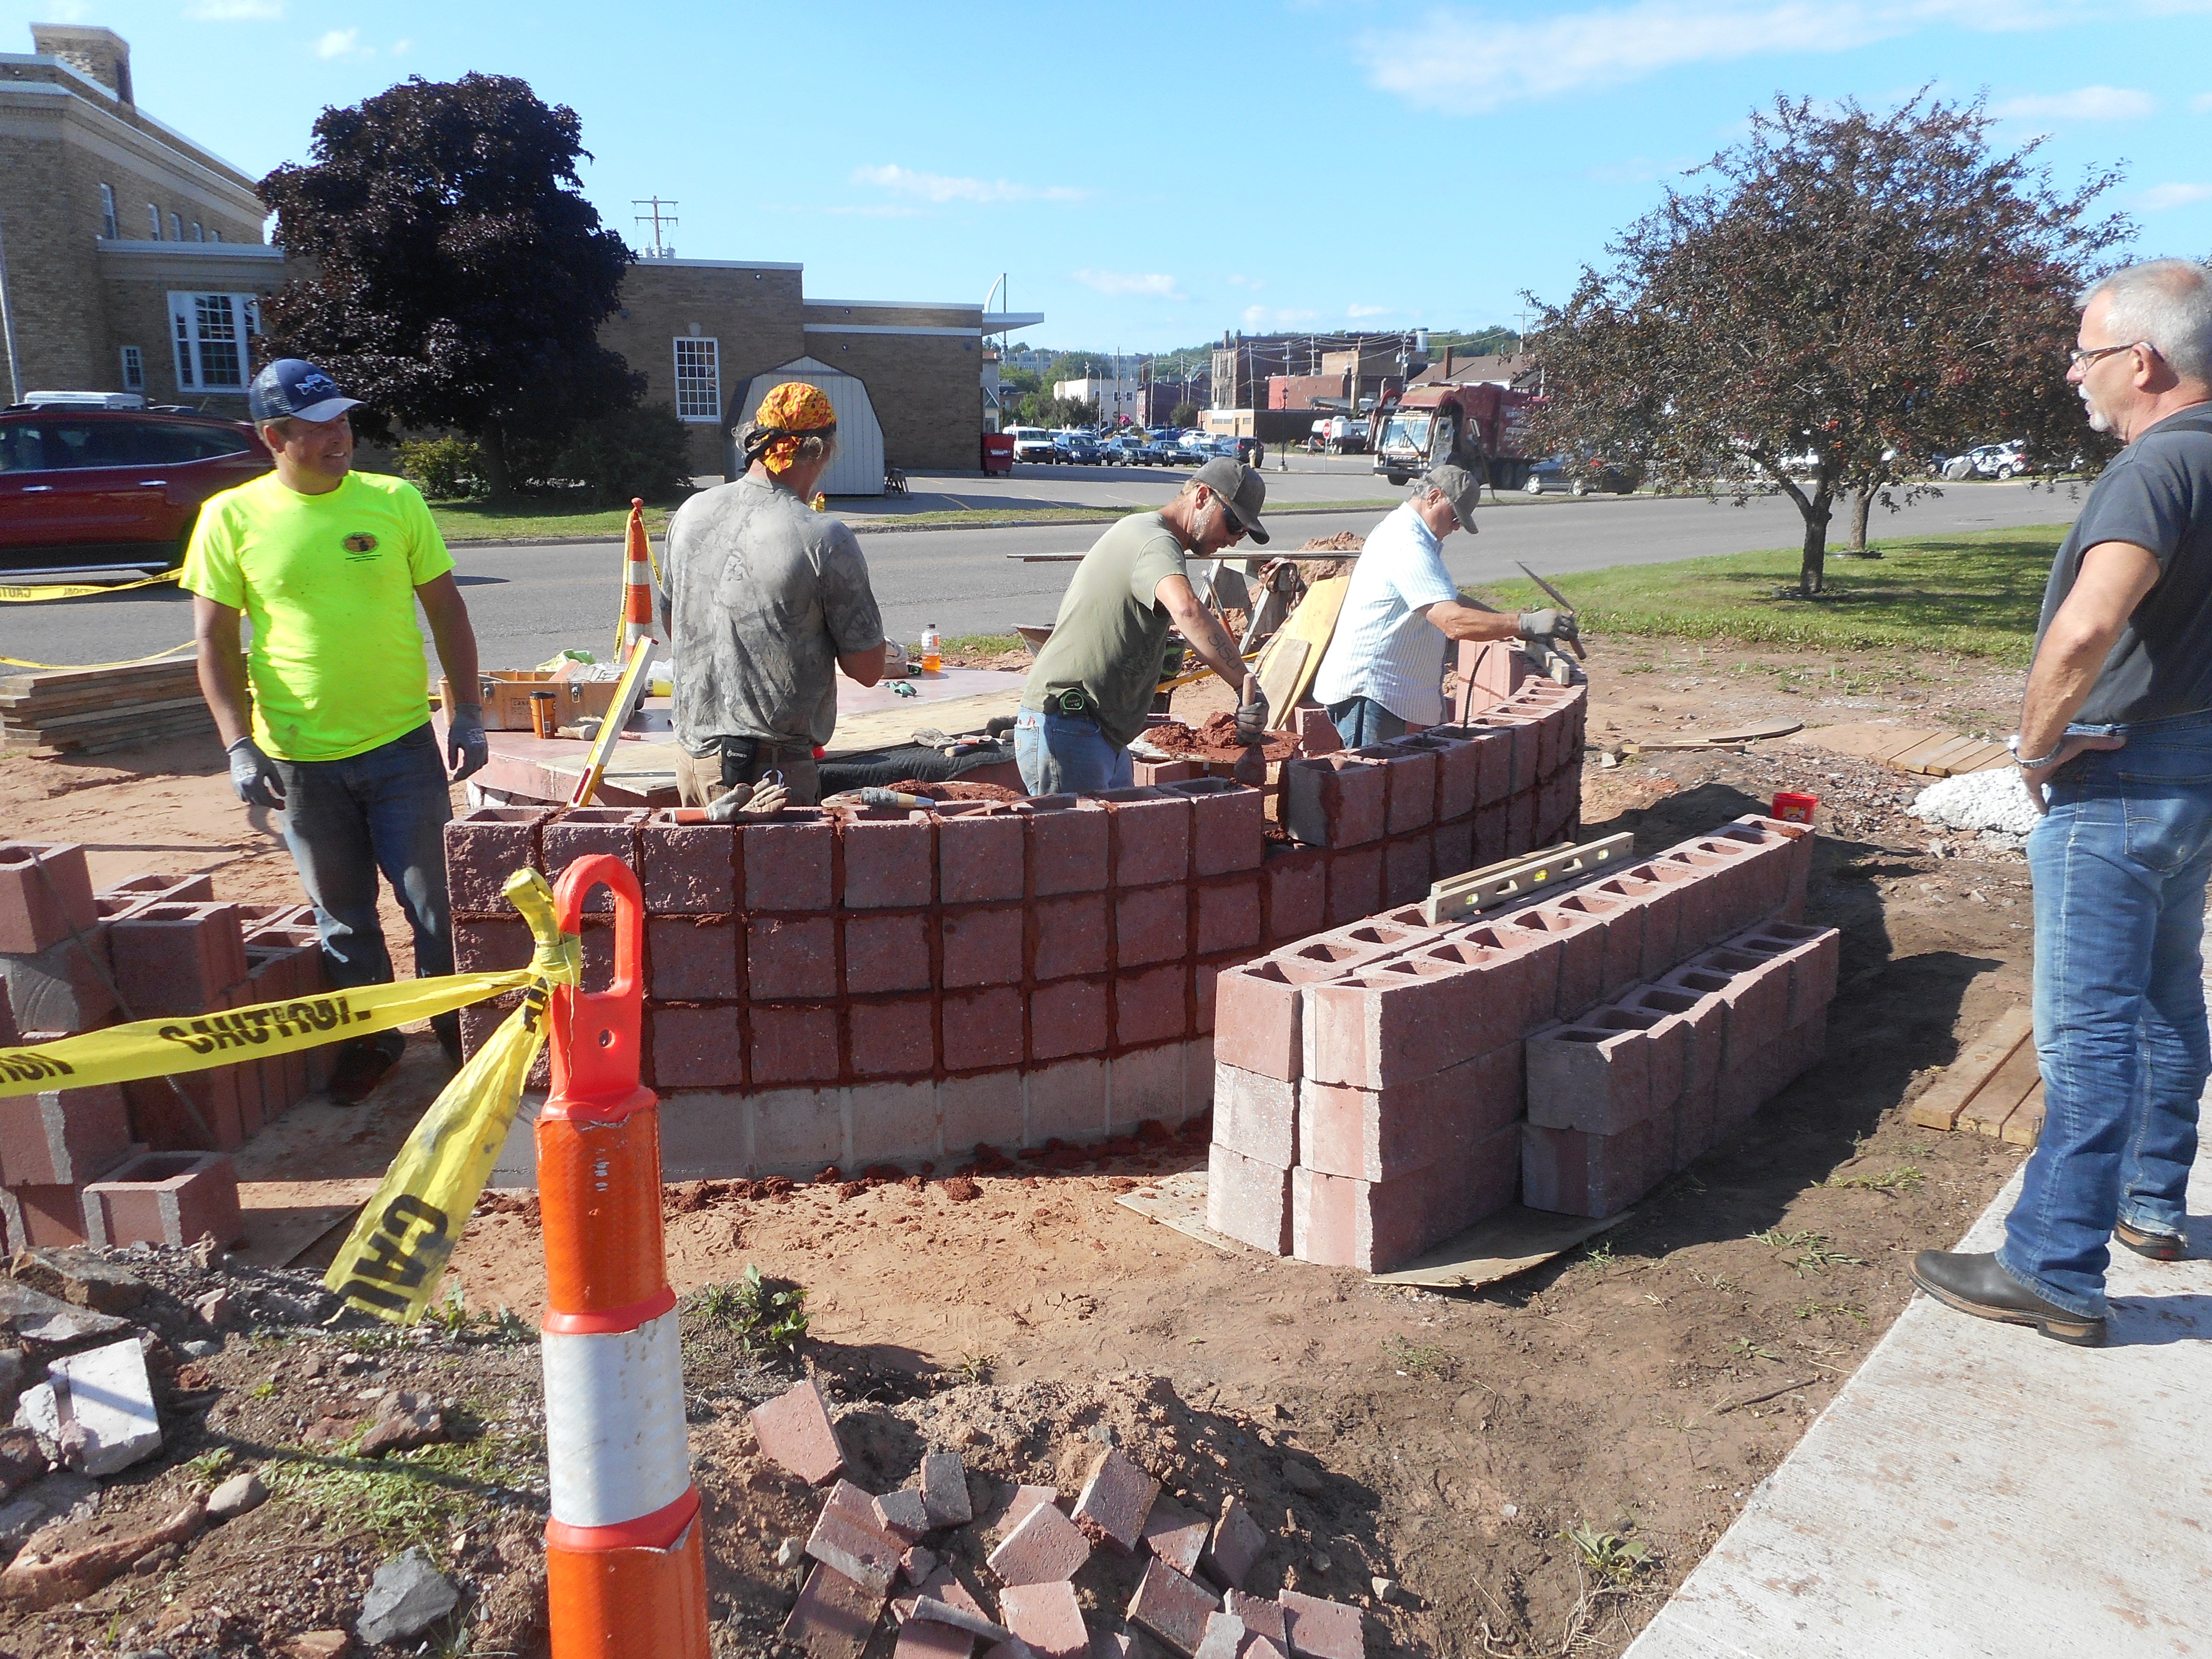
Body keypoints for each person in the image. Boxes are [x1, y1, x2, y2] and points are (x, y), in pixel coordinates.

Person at [1913, 258, 2212, 1347]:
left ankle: (2053, 1269)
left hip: (2122, 780)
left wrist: (2033, 748)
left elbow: (2087, 630)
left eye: (2085, 355)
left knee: (2088, 1034)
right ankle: (2148, 1203)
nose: (2073, 377)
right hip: (2195, 779)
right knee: (2169, 1003)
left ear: (2145, 360)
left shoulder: (2153, 472)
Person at [183, 358, 486, 1105]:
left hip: (401, 748)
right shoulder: (231, 517)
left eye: (343, 421)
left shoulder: (394, 501)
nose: (339, 438)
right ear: (273, 437)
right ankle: (373, 1040)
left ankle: (455, 1036)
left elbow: (447, 610)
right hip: (299, 762)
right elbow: (214, 644)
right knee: (343, 918)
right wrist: (236, 743)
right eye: (318, 428)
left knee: (434, 905)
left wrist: (469, 709)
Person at [661, 382, 887, 808]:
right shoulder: (824, 538)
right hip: (765, 779)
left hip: (692, 760)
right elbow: (868, 668)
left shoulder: (691, 512)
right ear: (821, 451)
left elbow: (677, 626)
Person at [1017, 457, 1269, 795]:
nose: (1235, 540)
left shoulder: (1151, 536)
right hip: (1070, 725)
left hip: (1100, 732)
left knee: (1123, 838)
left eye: (1242, 532)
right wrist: (1245, 685)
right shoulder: (1155, 541)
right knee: (1083, 845)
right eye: (1233, 523)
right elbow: (1188, 610)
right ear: (1202, 497)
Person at [1310, 463, 1577, 748]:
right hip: (1370, 693)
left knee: (1384, 781)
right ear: (1434, 498)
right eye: (1455, 517)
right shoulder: (1407, 543)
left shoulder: (1415, 535)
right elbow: (1451, 621)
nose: (1456, 527)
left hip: (1380, 693)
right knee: (1372, 781)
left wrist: (1516, 628)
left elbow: (1447, 599)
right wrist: (1524, 623)